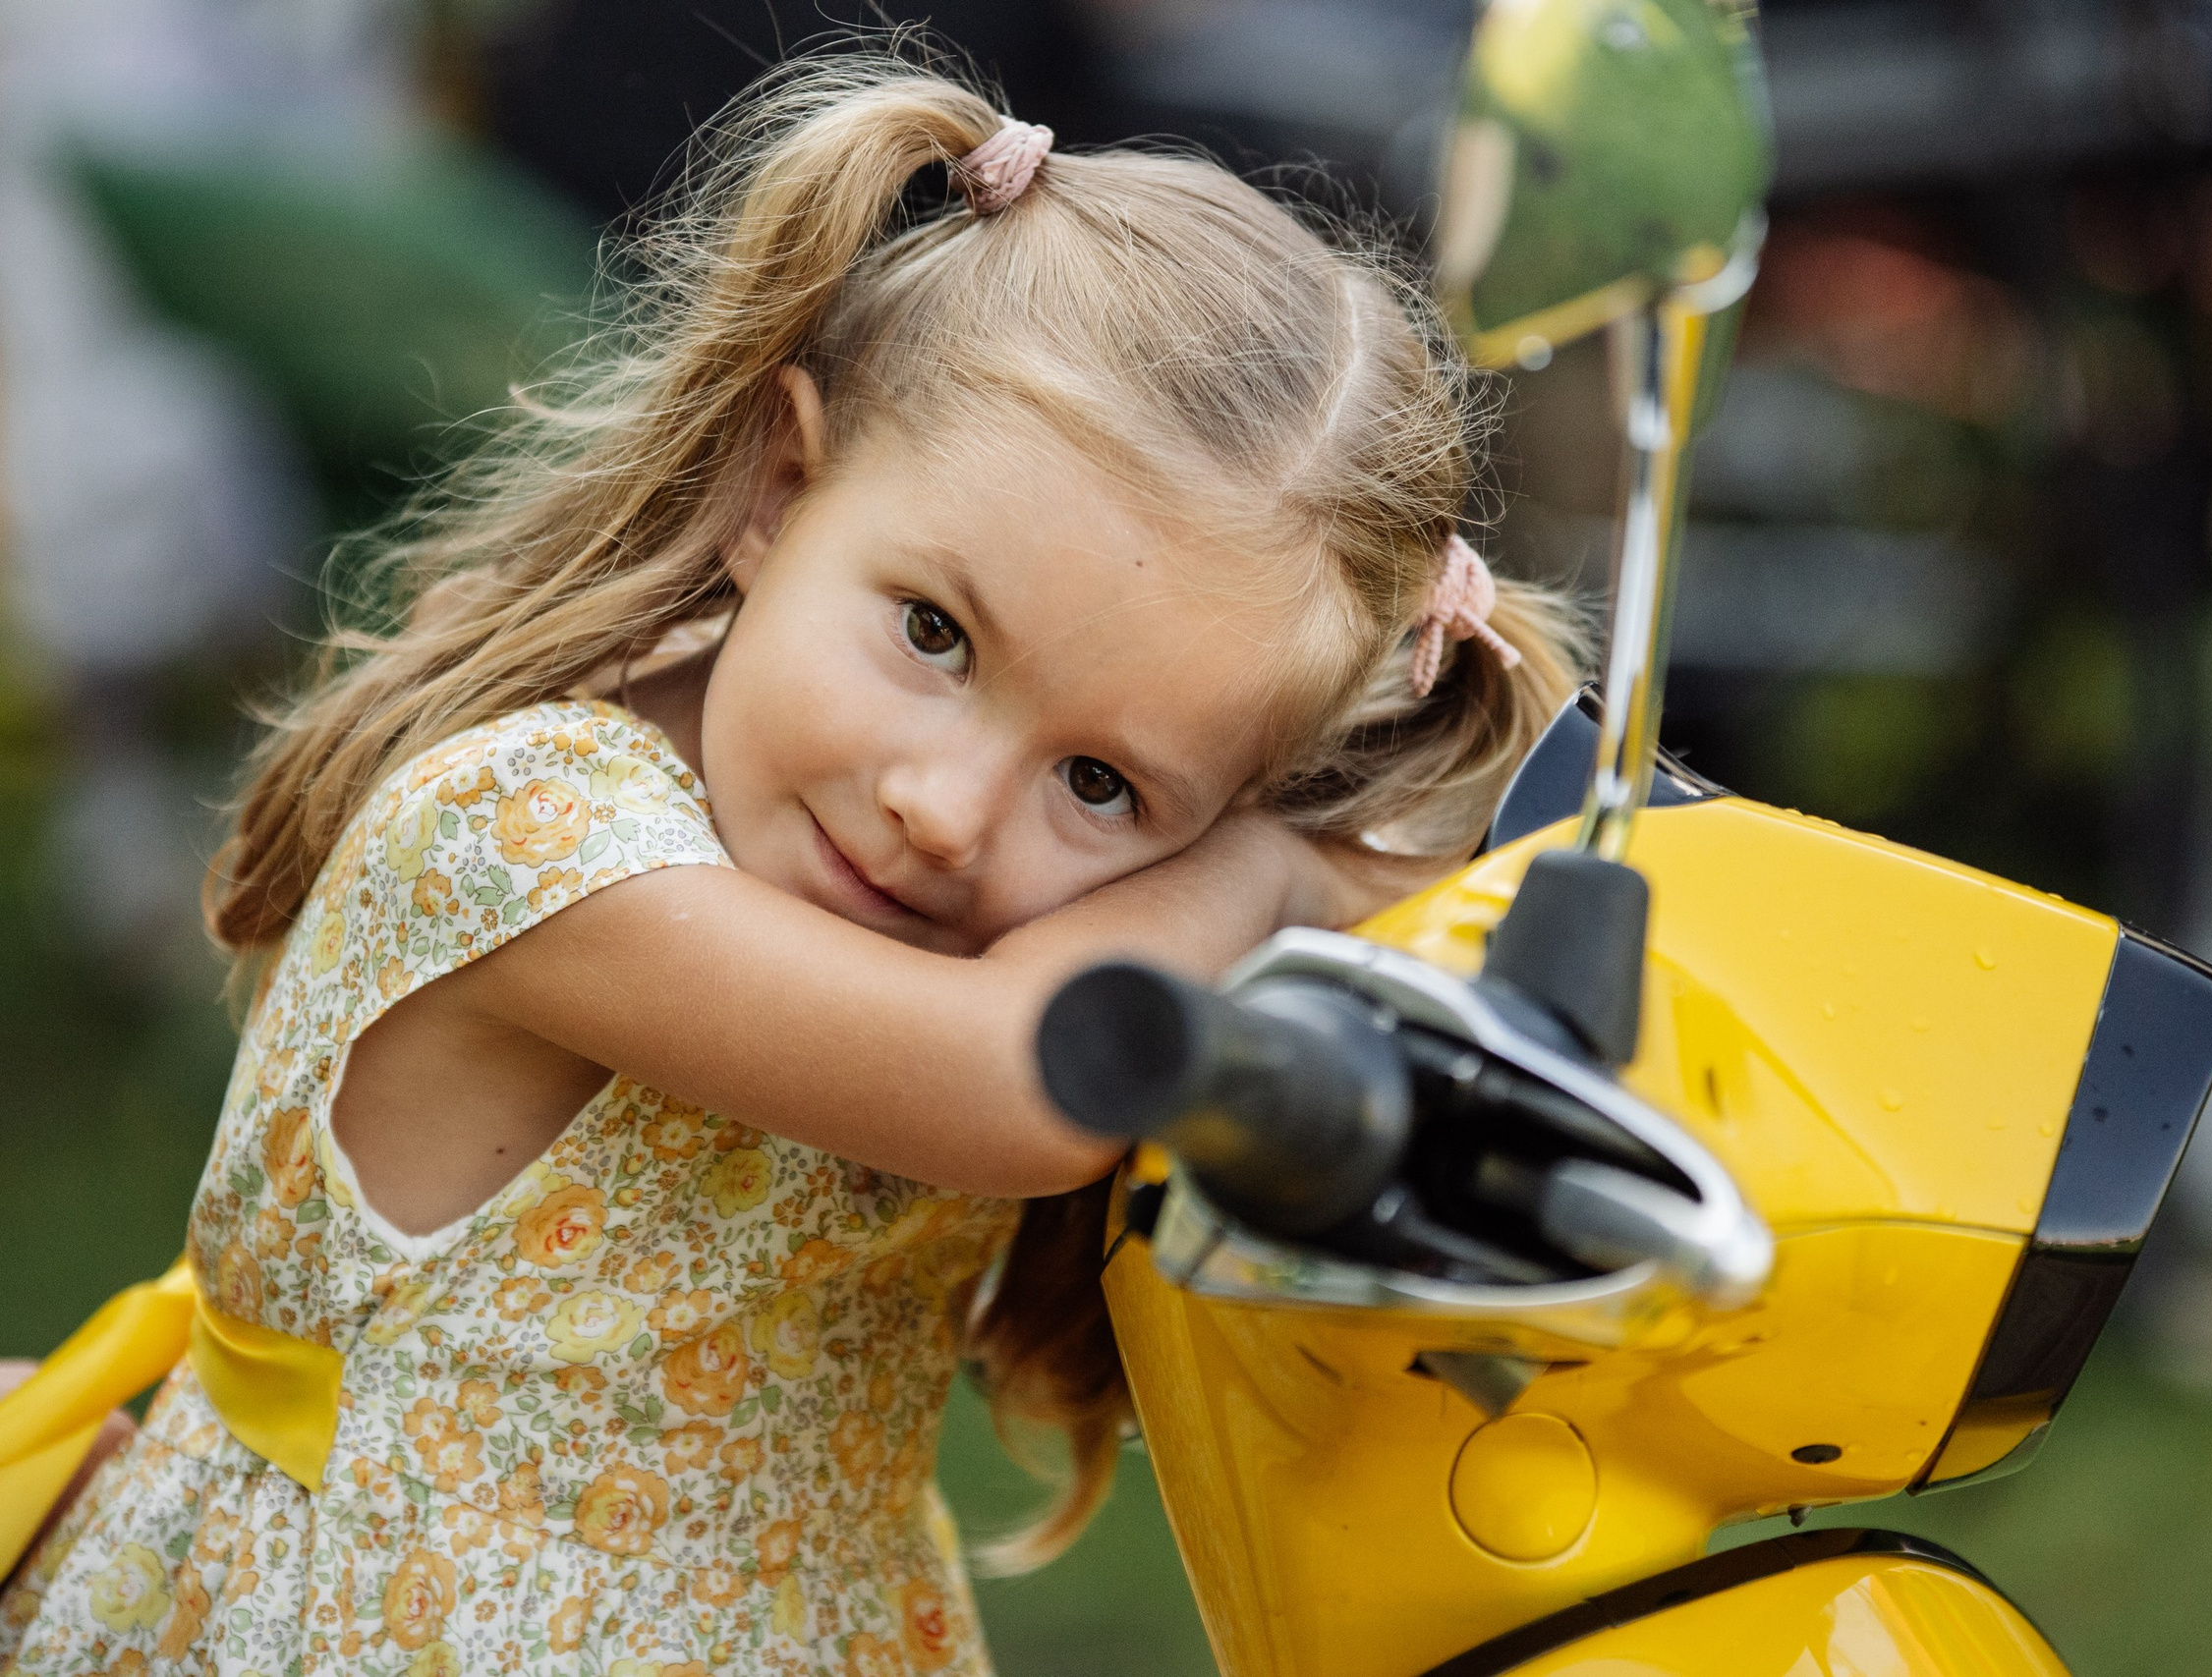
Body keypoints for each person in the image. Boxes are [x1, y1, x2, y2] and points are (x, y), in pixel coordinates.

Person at [0, 56, 1580, 1677]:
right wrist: (1272, 878)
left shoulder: (1029, 917)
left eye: (1101, 781)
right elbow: (1021, 1084)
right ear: (778, 486)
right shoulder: (532, 836)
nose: (949, 811)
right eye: (935, 634)